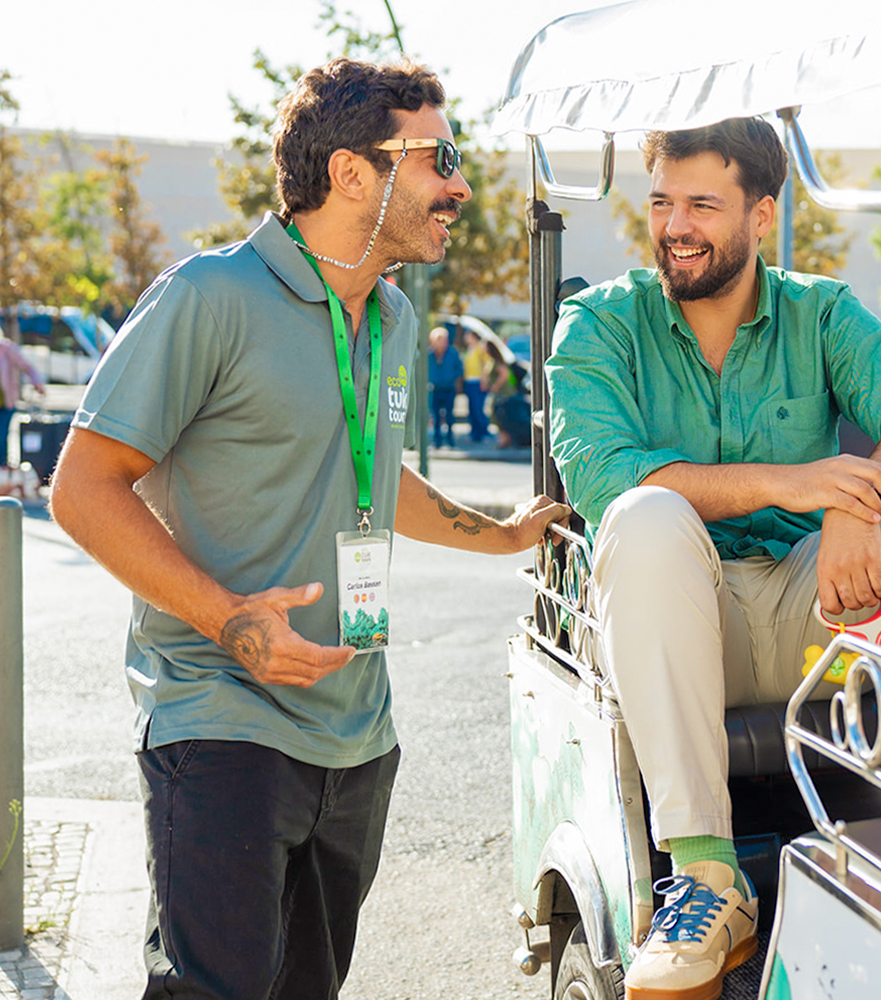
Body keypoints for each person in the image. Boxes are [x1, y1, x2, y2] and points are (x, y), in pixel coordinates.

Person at [48, 58, 569, 1000]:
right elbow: (84, 487)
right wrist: (231, 621)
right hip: (220, 716)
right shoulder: (210, 295)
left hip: (358, 738)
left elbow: (370, 467)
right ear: (352, 173)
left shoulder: (398, 317)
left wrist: (499, 534)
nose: (460, 185)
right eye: (440, 156)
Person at [546, 117, 881, 1000]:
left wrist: (862, 497)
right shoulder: (596, 325)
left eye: (703, 203)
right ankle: (707, 877)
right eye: (662, 202)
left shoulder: (822, 312)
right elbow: (608, 480)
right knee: (648, 513)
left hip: (810, 613)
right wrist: (806, 484)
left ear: (762, 215)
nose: (675, 225)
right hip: (662, 618)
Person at [0, 334, 45, 465]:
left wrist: (37, 383)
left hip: (6, 403)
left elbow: (27, 366)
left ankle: (4, 468)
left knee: (1, 436)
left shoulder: (6, 349)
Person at [427, 325, 463, 447]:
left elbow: (459, 369)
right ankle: (437, 440)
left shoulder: (453, 353)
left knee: (449, 416)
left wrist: (456, 382)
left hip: (449, 388)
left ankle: (450, 439)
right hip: (435, 388)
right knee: (435, 416)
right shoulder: (429, 355)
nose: (442, 343)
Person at [459, 326, 492, 442]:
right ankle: (474, 433)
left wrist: (485, 379)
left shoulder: (480, 348)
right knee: (471, 408)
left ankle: (483, 432)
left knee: (478, 408)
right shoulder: (469, 349)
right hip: (469, 381)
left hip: (478, 381)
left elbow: (487, 363)